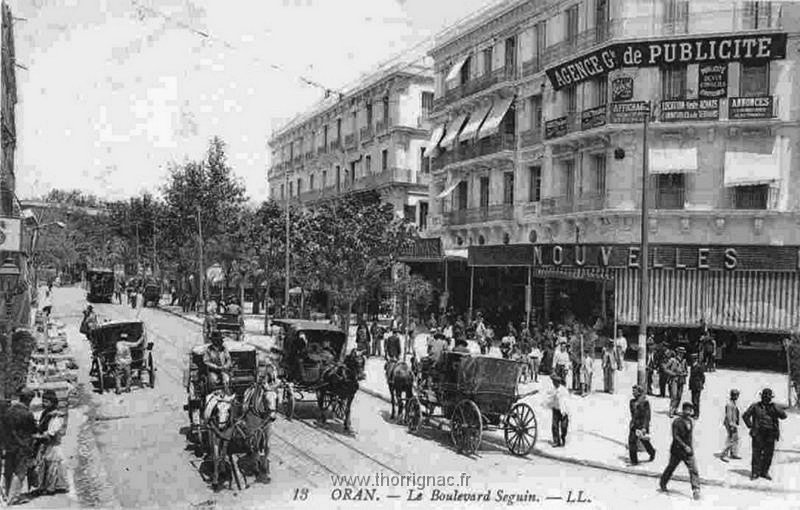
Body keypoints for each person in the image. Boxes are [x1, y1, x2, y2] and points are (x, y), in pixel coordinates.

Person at [742, 387, 787, 480]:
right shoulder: (755, 406)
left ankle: (764, 472)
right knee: (756, 454)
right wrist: (751, 426)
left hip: (770, 433)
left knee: (768, 454)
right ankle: (755, 472)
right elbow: (745, 416)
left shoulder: (774, 407)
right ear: (762, 397)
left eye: (769, 397)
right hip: (758, 433)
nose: (767, 398)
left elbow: (784, 416)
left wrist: (775, 407)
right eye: (765, 396)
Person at [659, 402, 701, 500]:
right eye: (687, 410)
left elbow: (689, 437)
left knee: (693, 469)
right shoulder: (677, 422)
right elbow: (675, 436)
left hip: (688, 451)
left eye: (690, 410)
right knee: (671, 467)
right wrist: (684, 446)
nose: (689, 412)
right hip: (677, 451)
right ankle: (663, 482)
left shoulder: (690, 421)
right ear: (683, 410)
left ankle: (696, 489)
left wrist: (690, 447)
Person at [4, 388, 37, 505]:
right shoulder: (27, 414)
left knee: (8, 471)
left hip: (9, 446)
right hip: (22, 446)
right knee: (20, 473)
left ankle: (6, 494)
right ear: (28, 399)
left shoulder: (9, 411)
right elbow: (33, 430)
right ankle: (13, 498)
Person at [32, 390, 69, 496]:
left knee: (52, 466)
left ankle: (51, 488)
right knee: (46, 466)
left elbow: (51, 433)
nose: (44, 403)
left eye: (47, 401)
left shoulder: (56, 416)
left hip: (52, 444)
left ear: (53, 402)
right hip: (46, 444)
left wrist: (37, 436)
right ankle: (46, 486)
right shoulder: (46, 413)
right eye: (43, 401)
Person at [629, 385, 656, 465]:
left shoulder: (645, 403)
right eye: (633, 391)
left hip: (642, 425)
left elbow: (647, 416)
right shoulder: (632, 402)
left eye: (635, 391)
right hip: (634, 425)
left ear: (639, 392)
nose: (633, 393)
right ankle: (634, 461)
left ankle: (652, 452)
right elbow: (632, 414)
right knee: (632, 442)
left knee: (645, 442)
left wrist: (644, 427)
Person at [719, 389, 742, 463]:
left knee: (735, 438)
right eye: (736, 395)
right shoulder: (729, 404)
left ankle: (733, 453)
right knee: (731, 439)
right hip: (730, 424)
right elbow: (729, 415)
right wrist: (731, 425)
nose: (737, 397)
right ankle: (724, 455)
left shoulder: (733, 403)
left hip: (733, 423)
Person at [665, 347, 688, 417]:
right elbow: (666, 369)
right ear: (678, 353)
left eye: (683, 353)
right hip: (674, 379)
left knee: (679, 396)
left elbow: (686, 371)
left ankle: (676, 409)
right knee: (674, 395)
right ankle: (671, 410)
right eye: (680, 353)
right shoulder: (672, 360)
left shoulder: (684, 361)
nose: (682, 354)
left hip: (681, 380)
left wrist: (684, 373)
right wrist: (673, 374)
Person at [549, 375, 570, 447]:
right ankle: (556, 441)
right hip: (555, 409)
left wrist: (565, 411)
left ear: (558, 382)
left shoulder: (563, 390)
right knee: (554, 426)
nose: (553, 383)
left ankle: (563, 437)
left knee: (564, 427)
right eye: (553, 382)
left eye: (555, 382)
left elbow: (567, 401)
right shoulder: (553, 390)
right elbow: (549, 398)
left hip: (563, 410)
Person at [688, 353, 705, 418]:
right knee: (693, 400)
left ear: (696, 359)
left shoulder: (699, 366)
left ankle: (696, 414)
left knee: (696, 401)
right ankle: (694, 412)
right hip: (693, 385)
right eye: (692, 359)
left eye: (694, 359)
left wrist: (700, 384)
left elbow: (702, 377)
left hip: (697, 386)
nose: (693, 360)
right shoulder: (692, 366)